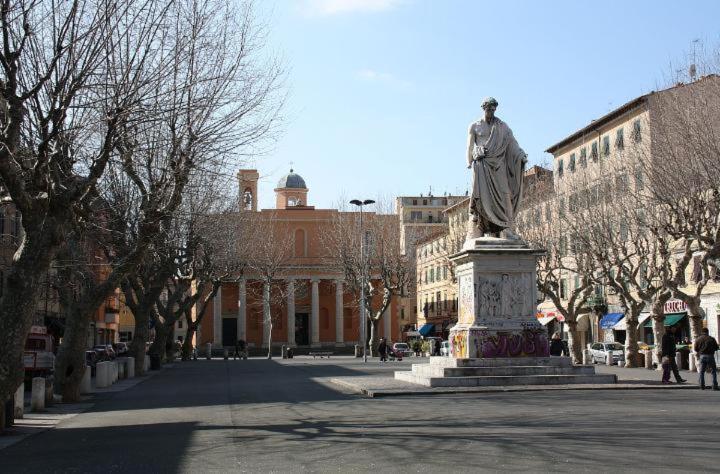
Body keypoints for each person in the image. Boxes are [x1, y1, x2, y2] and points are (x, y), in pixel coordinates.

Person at [466, 97, 527, 241]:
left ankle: (507, 230)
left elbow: (512, 143)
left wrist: (520, 155)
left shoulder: (502, 126)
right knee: (481, 198)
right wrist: (470, 159)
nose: (491, 112)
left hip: (499, 166)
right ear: (483, 108)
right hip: (482, 166)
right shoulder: (474, 126)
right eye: (488, 109)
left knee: (505, 195)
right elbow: (469, 146)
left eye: (493, 109)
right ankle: (478, 231)